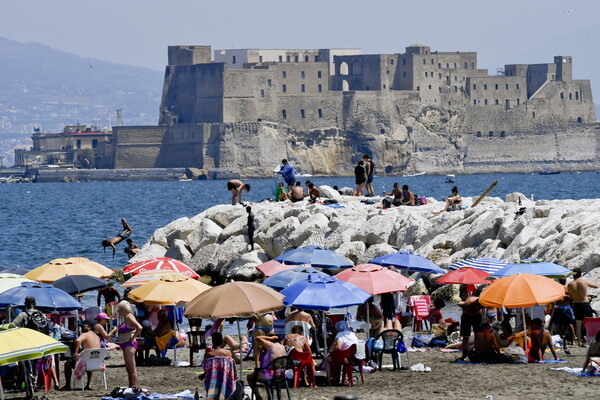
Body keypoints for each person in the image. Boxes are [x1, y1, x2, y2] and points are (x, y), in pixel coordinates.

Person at [63, 320, 102, 391]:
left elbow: (77, 341)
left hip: (87, 364)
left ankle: (67, 385)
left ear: (89, 327)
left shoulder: (85, 334)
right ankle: (89, 384)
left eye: (83, 326)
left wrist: (76, 352)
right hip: (97, 363)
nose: (81, 328)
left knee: (67, 364)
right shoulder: (97, 336)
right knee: (90, 358)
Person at [247, 332, 287, 400]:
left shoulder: (271, 345)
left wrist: (270, 338)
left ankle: (258, 397)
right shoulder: (282, 346)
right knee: (266, 373)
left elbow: (257, 338)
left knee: (250, 377)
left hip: (271, 375)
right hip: (281, 374)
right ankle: (269, 396)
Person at [566, 268, 598, 346]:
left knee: (578, 324)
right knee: (589, 323)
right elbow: (596, 286)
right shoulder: (585, 282)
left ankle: (579, 341)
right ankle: (589, 341)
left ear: (573, 275)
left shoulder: (570, 285)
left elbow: (571, 297)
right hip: (585, 304)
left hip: (576, 304)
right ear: (580, 274)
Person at [117, 301, 143, 391]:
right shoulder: (125, 318)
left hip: (129, 344)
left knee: (132, 368)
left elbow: (139, 327)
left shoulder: (129, 317)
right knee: (128, 368)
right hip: (124, 344)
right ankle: (130, 387)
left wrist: (133, 337)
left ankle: (133, 387)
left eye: (119, 309)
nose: (118, 312)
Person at [325, 321, 359, 385]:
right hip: (354, 357)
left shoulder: (340, 335)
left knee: (326, 359)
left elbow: (338, 347)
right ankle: (342, 378)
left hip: (345, 358)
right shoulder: (352, 333)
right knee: (339, 357)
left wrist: (331, 350)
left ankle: (329, 378)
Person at [549, 278, 575, 354]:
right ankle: (561, 338)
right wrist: (554, 304)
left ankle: (572, 341)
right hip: (559, 307)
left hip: (566, 307)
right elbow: (552, 297)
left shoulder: (568, 288)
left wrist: (565, 296)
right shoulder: (557, 287)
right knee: (559, 325)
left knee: (570, 324)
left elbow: (572, 297)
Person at [458, 296, 483, 361]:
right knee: (465, 336)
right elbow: (459, 304)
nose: (478, 309)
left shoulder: (482, 303)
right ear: (475, 305)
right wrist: (467, 311)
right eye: (478, 307)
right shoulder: (468, 303)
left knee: (478, 335)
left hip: (477, 317)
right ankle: (464, 354)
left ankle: (478, 352)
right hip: (466, 316)